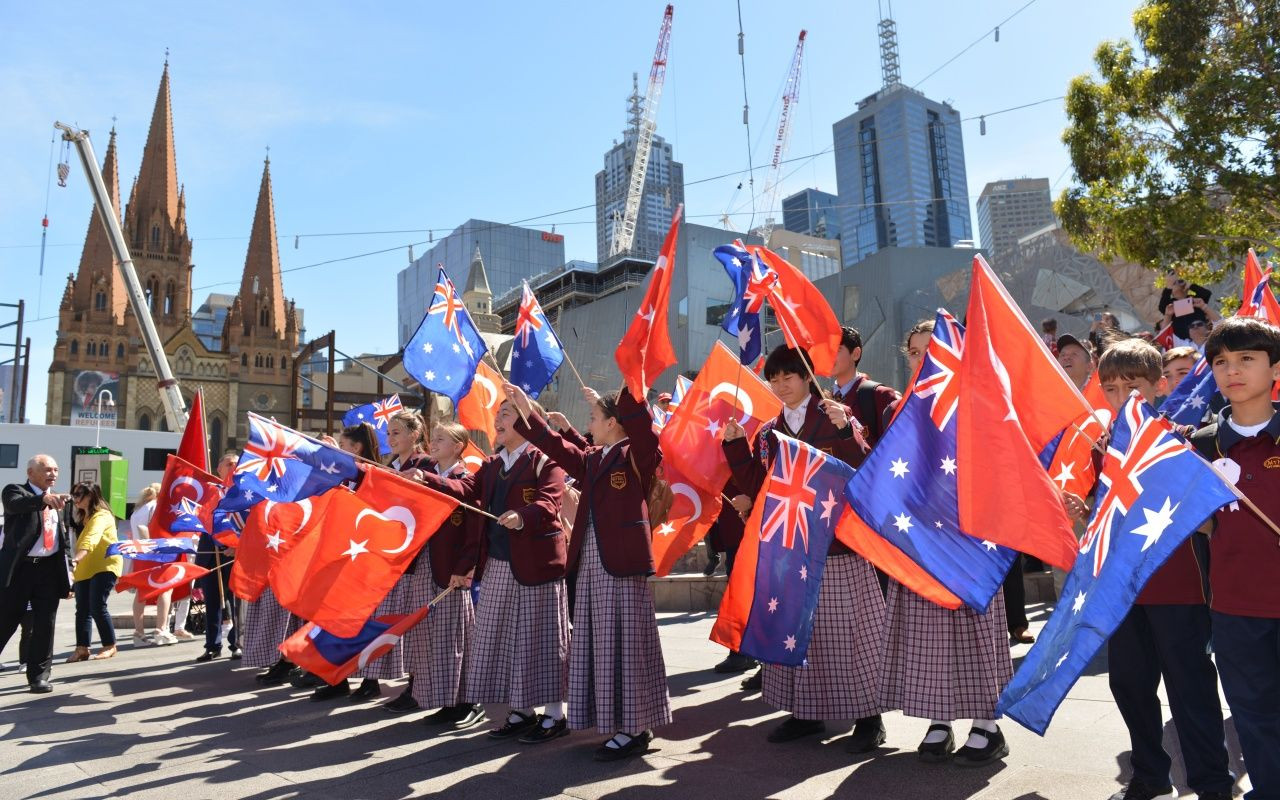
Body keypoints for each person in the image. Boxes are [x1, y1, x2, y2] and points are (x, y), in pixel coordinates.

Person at [722, 344, 885, 755]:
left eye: (788, 377)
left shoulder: (836, 415)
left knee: (850, 636)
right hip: (791, 548)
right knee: (800, 635)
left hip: (838, 546)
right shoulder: (769, 430)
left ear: (807, 377)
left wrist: (847, 432)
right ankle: (807, 713)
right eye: (773, 378)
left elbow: (865, 469)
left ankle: (870, 719)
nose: (780, 386)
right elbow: (762, 490)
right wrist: (736, 448)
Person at [1090, 339, 1233, 800]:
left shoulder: (1182, 437)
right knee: (1130, 685)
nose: (1122, 397)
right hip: (1123, 591)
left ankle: (1212, 781)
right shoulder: (1100, 446)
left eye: (1132, 386)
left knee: (1190, 689)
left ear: (1159, 385)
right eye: (1111, 388)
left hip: (1180, 587)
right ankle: (1150, 775)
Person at [509, 382, 672, 761]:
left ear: (614, 423)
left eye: (595, 417)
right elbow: (557, 447)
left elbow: (646, 434)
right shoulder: (595, 458)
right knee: (603, 645)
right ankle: (621, 721)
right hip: (592, 565)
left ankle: (634, 728)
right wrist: (525, 412)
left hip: (623, 563)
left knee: (628, 645)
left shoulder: (636, 453)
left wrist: (630, 389)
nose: (589, 423)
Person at [417, 396, 570, 745]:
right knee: (505, 639)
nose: (497, 420)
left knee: (542, 638)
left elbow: (550, 501)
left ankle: (555, 714)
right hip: (500, 563)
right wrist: (428, 478)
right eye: (497, 413)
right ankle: (521, 711)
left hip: (537, 565)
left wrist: (522, 515)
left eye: (506, 413)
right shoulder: (493, 463)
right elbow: (466, 489)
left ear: (528, 421)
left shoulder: (545, 460)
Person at [1188, 317, 1280, 800]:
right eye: (1221, 362)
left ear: (1274, 367)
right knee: (1255, 716)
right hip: (1235, 611)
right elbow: (1202, 527)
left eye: (1247, 358)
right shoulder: (1200, 446)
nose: (1233, 371)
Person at [401, 421, 484, 730]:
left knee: (454, 637)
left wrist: (464, 567)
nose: (432, 444)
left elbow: (473, 531)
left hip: (451, 570)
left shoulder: (465, 479)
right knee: (432, 639)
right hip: (427, 565)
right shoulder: (430, 478)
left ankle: (467, 701)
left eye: (440, 439)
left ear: (458, 447)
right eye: (433, 438)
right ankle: (446, 700)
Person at [0, 455, 74, 692]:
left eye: (55, 469)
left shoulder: (59, 501)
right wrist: (44, 499)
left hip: (48, 570)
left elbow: (62, 538)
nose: (52, 474)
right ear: (31, 473)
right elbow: (16, 505)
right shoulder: (15, 491)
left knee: (45, 624)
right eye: (46, 469)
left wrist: (69, 572)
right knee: (7, 620)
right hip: (20, 569)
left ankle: (39, 676)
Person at [66, 482, 123, 662]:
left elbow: (92, 538)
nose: (75, 498)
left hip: (104, 565)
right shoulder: (84, 517)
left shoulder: (102, 515)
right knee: (81, 609)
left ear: (90, 495)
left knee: (97, 606)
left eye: (78, 495)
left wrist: (76, 558)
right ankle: (82, 648)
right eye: (73, 494)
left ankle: (110, 645)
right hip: (85, 566)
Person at [128, 483, 180, 646]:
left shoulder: (137, 511)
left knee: (141, 593)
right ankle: (161, 629)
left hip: (139, 554)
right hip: (156, 553)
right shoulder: (157, 507)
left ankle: (139, 633)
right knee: (165, 588)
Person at [831, 326, 901, 445]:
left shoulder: (881, 395)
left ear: (855, 354)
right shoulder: (823, 400)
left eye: (836, 350)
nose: (829, 356)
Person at [1158, 276, 1213, 342]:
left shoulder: (1195, 299)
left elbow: (1206, 294)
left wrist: (1189, 285)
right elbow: (1162, 307)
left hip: (1201, 336)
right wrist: (1168, 287)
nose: (1176, 284)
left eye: (1178, 282)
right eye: (1174, 283)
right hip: (1182, 341)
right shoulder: (1170, 305)